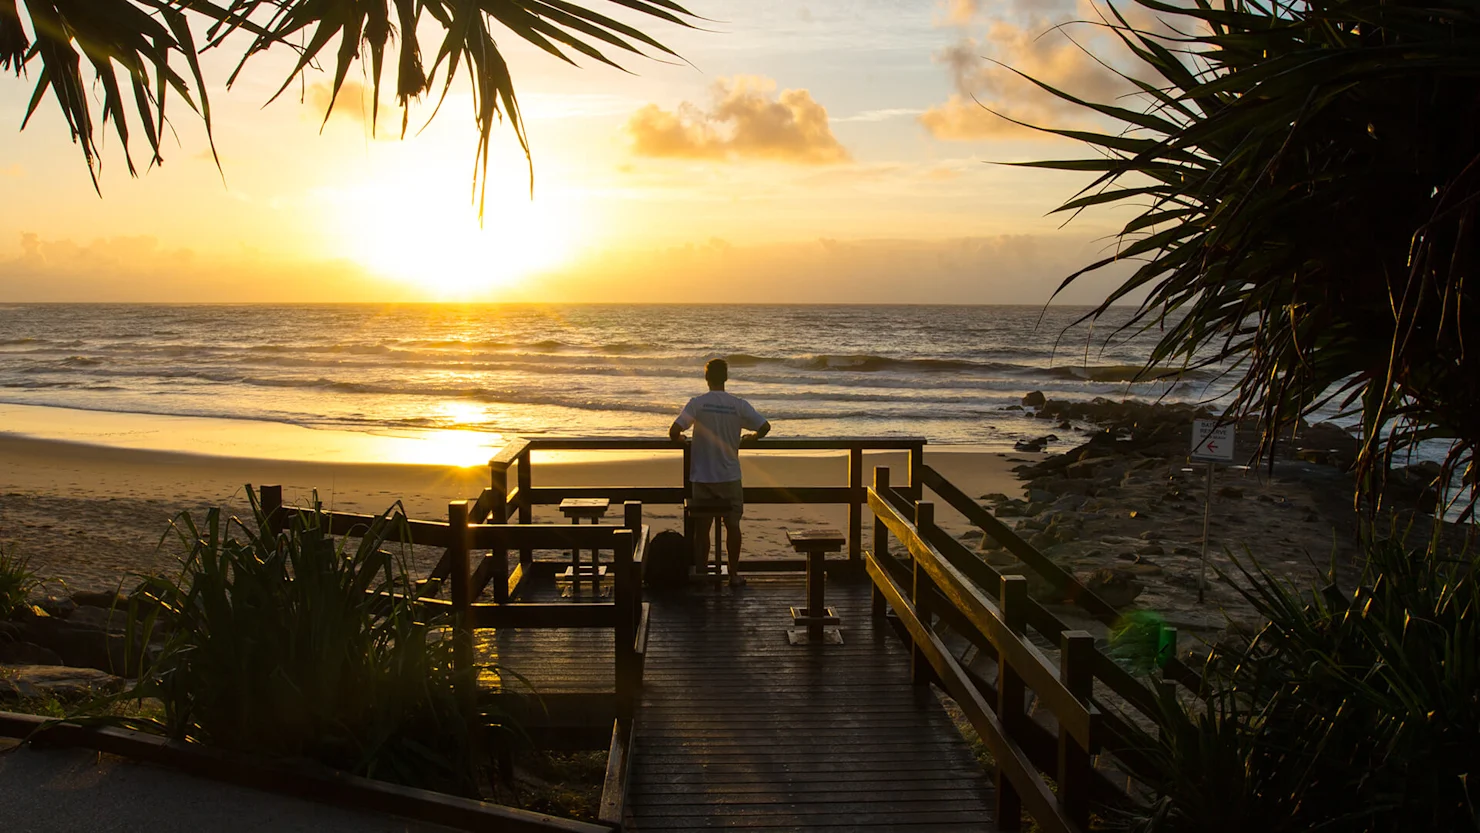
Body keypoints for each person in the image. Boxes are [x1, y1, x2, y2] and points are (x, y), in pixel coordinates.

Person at [669, 358, 770, 586]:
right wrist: (753, 437)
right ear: (726, 378)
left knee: (702, 528)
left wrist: (682, 439)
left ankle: (703, 572)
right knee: (733, 526)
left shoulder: (697, 403)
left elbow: (674, 431)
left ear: (707, 378)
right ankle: (733, 575)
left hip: (702, 477)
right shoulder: (738, 405)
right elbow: (764, 426)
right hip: (729, 476)